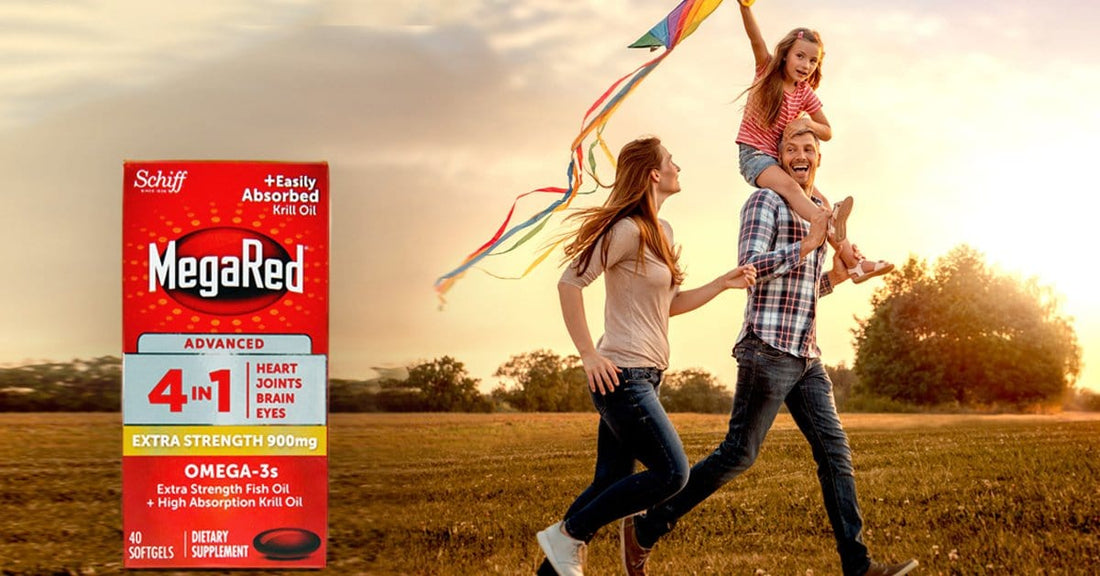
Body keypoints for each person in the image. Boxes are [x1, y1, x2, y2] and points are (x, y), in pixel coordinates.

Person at [620, 125, 919, 576]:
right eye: (791, 149)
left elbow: (806, 289)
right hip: (767, 348)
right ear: (778, 159)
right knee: (738, 453)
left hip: (806, 353)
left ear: (819, 158)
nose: (801, 155)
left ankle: (858, 567)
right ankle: (648, 526)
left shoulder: (819, 208)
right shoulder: (765, 202)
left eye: (809, 149)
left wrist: (837, 275)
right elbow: (751, 266)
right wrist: (806, 244)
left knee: (835, 453)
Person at [535, 136, 757, 576]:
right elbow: (570, 283)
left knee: (610, 483)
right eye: (672, 160)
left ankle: (557, 556)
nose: (679, 166)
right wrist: (587, 355)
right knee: (673, 474)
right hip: (621, 376)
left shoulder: (662, 232)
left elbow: (668, 304)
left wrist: (721, 283)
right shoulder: (626, 230)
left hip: (648, 376)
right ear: (655, 173)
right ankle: (567, 534)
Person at [734, 1, 892, 284]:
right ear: (785, 55)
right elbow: (754, 38)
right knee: (794, 190)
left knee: (820, 200)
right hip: (755, 155)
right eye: (800, 56)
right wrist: (746, 8)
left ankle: (855, 264)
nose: (805, 65)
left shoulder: (804, 93)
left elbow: (827, 130)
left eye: (812, 61)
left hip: (778, 158)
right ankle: (827, 222)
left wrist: (808, 123)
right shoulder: (767, 72)